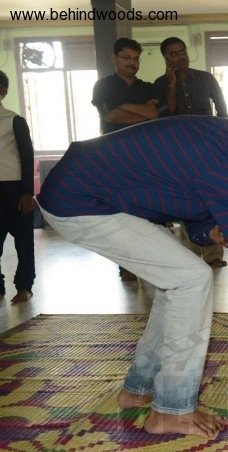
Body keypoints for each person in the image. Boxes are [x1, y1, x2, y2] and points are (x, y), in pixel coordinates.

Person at [36, 103, 228, 438]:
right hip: (79, 199)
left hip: (88, 192)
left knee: (178, 278)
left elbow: (185, 198)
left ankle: (139, 388)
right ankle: (170, 410)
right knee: (191, 278)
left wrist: (207, 232)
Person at [154, 37, 228, 269]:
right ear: (166, 59)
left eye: (182, 52)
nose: (180, 57)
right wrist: (172, 83)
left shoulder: (206, 79)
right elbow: (166, 114)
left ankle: (213, 252)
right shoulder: (160, 84)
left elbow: (222, 111)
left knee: (209, 198)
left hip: (207, 150)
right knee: (186, 202)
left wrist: (222, 143)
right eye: (173, 54)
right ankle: (191, 252)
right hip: (177, 154)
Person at [92, 37, 159, 282]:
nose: (132, 63)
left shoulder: (148, 87)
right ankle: (127, 267)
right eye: (126, 58)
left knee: (149, 213)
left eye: (136, 58)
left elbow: (154, 114)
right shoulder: (103, 86)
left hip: (146, 158)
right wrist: (143, 113)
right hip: (115, 159)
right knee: (122, 215)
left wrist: (124, 107)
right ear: (114, 58)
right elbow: (111, 117)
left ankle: (153, 266)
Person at [0, 70, 35, 304]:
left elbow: (27, 156)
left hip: (13, 189)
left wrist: (27, 192)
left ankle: (24, 286)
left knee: (23, 240)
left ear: (2, 91)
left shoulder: (14, 120)